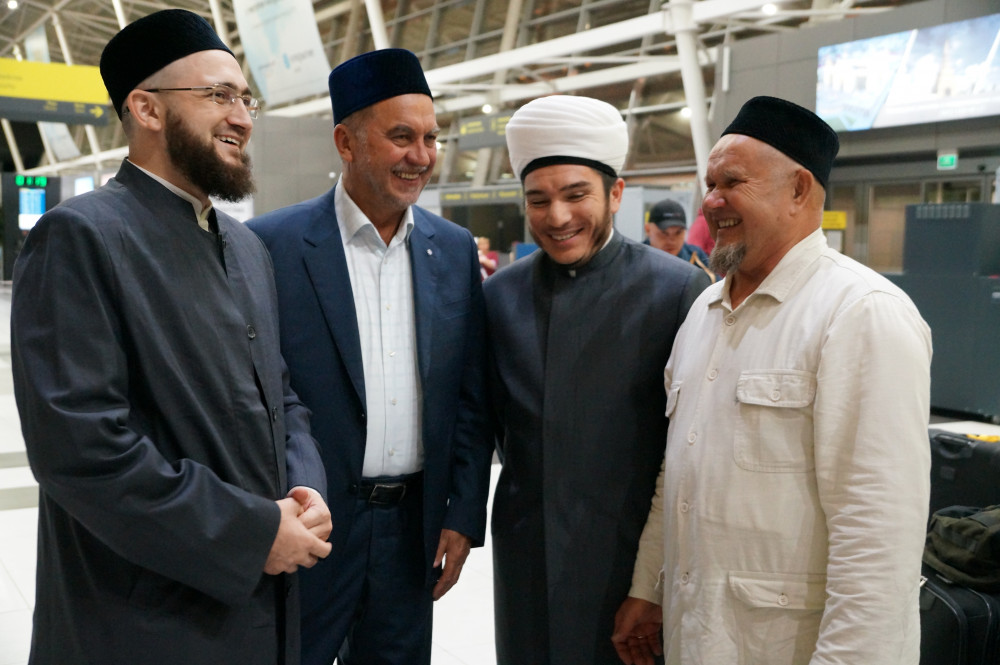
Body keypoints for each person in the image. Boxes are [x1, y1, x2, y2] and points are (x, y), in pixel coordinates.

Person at [10, 9, 332, 665]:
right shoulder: (80, 237)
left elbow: (282, 396)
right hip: (145, 619)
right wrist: (250, 533)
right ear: (147, 108)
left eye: (245, 98)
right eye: (219, 95)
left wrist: (306, 490)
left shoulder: (246, 247)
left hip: (259, 608)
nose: (242, 117)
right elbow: (81, 449)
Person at [612, 96, 932, 665]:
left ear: (799, 190)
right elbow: (678, 473)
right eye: (710, 184)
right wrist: (648, 587)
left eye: (732, 182)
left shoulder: (860, 313)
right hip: (699, 639)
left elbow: (877, 537)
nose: (711, 201)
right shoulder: (704, 312)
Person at [247, 48, 493, 665]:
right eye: (401, 137)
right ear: (346, 143)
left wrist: (463, 513)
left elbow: (470, 393)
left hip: (411, 531)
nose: (421, 156)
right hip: (312, 522)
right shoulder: (271, 246)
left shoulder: (452, 249)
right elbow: (256, 392)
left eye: (431, 138)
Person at [484, 94, 712, 665]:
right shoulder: (500, 295)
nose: (557, 216)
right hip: (528, 554)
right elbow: (481, 421)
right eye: (538, 200)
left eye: (576, 194)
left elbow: (694, 446)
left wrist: (655, 580)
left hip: (630, 558)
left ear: (615, 193)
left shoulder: (677, 290)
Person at [644, 198, 716, 282]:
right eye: (664, 233)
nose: (671, 241)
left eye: (678, 233)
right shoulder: (637, 259)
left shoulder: (696, 257)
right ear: (648, 229)